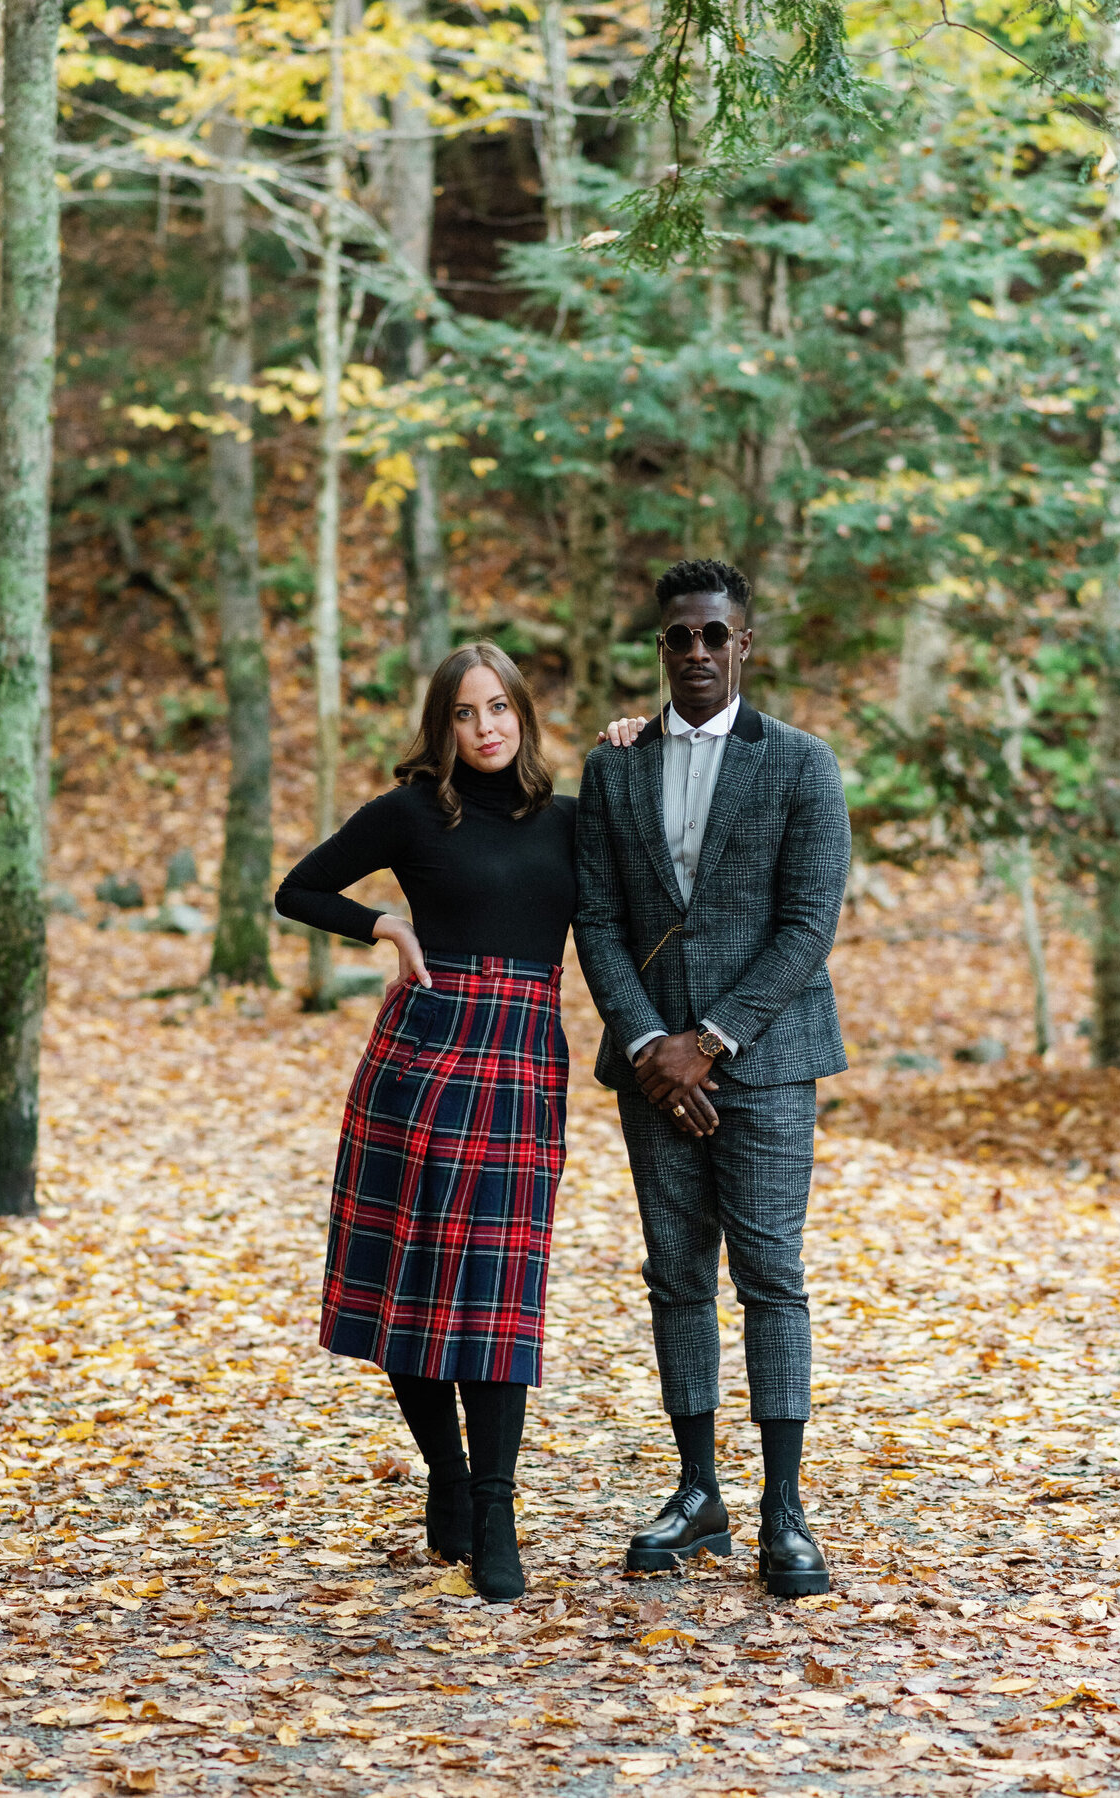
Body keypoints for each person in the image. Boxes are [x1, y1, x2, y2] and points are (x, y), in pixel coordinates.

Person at [275, 645, 642, 1602]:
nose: (486, 728)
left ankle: (496, 1509)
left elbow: (651, 842)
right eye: (466, 714)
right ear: (443, 727)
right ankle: (447, 1471)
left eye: (501, 709)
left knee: (497, 1292)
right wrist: (383, 929)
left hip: (521, 1060)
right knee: (410, 1284)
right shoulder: (409, 813)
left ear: (523, 715)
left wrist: (634, 747)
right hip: (421, 1059)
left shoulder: (572, 818)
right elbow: (298, 889)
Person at [574, 559, 852, 1598]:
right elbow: (596, 920)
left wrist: (714, 1039)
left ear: (747, 644)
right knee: (676, 1273)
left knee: (770, 1274)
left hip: (769, 1065)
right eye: (678, 637)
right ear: (661, 646)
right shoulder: (614, 768)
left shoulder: (801, 765)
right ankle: (700, 1492)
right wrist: (652, 1046)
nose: (696, 651)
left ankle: (784, 1507)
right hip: (650, 1073)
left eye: (714, 635)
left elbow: (806, 926)